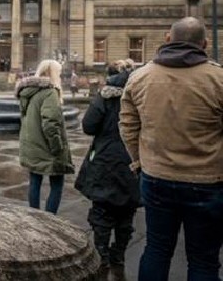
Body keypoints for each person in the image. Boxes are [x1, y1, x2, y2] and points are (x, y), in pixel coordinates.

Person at [120, 16, 223, 280]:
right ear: (205, 43)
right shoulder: (218, 79)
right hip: (208, 180)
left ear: (167, 38)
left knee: (156, 249)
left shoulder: (139, 77)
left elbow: (128, 128)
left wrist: (140, 162)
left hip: (156, 177)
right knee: (203, 260)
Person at [75, 61, 140, 273]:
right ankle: (119, 255)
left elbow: (88, 126)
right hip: (135, 159)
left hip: (106, 159)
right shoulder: (143, 96)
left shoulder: (106, 96)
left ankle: (101, 254)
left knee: (102, 209)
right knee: (127, 210)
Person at [16, 59, 74, 214]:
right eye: (59, 73)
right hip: (47, 146)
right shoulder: (50, 92)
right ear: (53, 74)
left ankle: (35, 216)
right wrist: (58, 148)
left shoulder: (28, 91)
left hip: (32, 144)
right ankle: (50, 219)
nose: (61, 77)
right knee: (57, 184)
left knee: (35, 181)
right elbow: (51, 124)